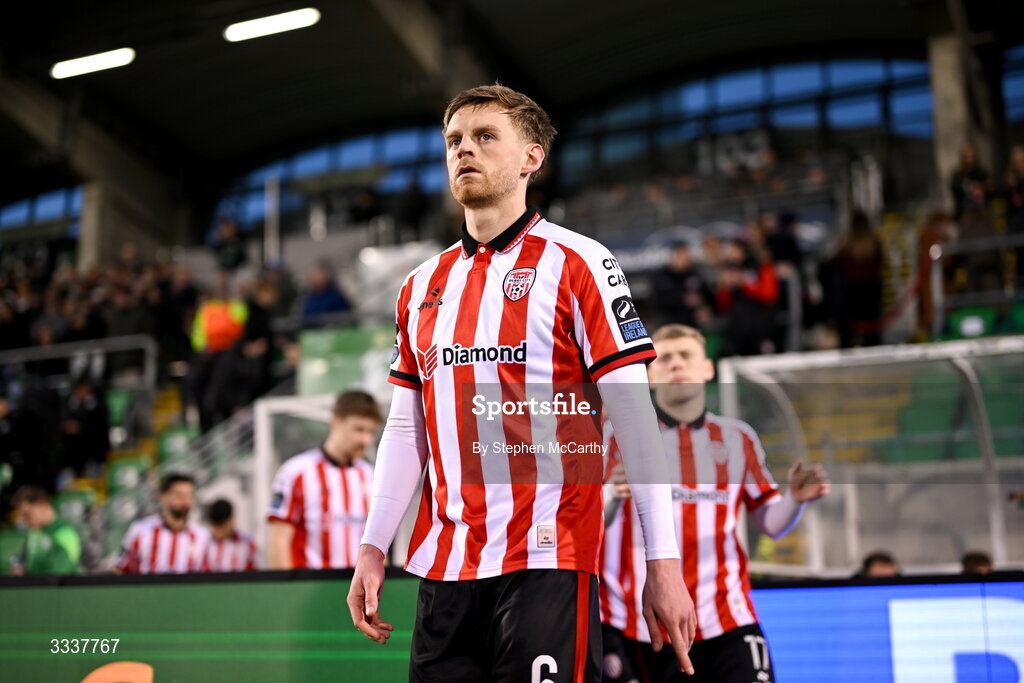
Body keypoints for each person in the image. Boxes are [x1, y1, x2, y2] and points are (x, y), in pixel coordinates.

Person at [347, 84, 695, 682]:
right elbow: (407, 428)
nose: (465, 151)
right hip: (445, 571)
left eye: (486, 137)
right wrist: (374, 546)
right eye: (454, 140)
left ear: (532, 158)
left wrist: (661, 562)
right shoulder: (419, 287)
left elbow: (637, 420)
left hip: (549, 561)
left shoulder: (581, 262)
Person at [599, 324, 829, 683]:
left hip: (725, 614)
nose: (676, 365)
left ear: (707, 368)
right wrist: (611, 494)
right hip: (639, 624)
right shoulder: (615, 438)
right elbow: (588, 522)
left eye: (685, 356)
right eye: (665, 359)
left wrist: (795, 501)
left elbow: (771, 522)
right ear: (649, 375)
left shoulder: (738, 439)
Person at [267, 391, 380, 569]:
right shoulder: (295, 472)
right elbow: (279, 539)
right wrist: (287, 592)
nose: (365, 440)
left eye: (371, 432)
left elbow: (377, 543)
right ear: (336, 422)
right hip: (308, 590)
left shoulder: (371, 476)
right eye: (359, 429)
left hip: (357, 591)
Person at [116, 473, 209, 574]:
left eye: (189, 495)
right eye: (178, 495)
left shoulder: (202, 536)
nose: (185, 501)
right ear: (162, 497)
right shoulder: (141, 530)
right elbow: (122, 569)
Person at [8, 485, 81, 575]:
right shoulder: (34, 534)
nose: (24, 520)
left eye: (27, 514)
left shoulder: (65, 533)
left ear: (42, 505)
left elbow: (58, 575)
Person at [650, 242, 714, 329]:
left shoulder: (693, 274)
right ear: (674, 256)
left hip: (693, 325)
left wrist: (704, 308)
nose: (686, 259)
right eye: (682, 255)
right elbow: (658, 301)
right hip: (670, 325)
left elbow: (707, 296)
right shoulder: (662, 276)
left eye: (687, 255)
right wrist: (683, 299)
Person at [202, 499, 258, 572]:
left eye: (222, 527)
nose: (218, 532)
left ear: (231, 521)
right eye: (215, 527)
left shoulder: (246, 542)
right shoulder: (205, 543)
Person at [300, 262, 351, 326]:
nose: (315, 280)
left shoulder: (335, 297)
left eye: (318, 277)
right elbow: (305, 317)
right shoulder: (309, 298)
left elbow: (344, 316)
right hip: (313, 333)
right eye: (313, 277)